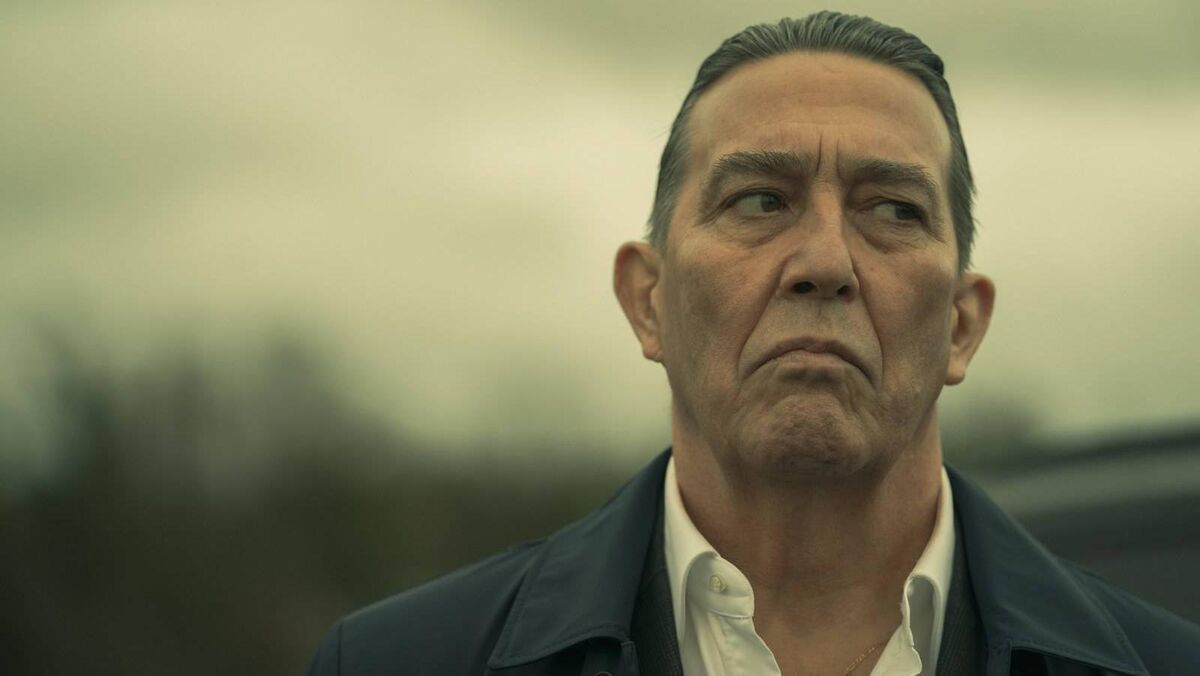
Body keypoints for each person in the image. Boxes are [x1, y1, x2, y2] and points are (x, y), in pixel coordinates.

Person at [306, 11, 1200, 676]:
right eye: (760, 201)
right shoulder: (399, 661)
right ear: (649, 300)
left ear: (962, 325)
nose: (824, 263)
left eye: (893, 211)